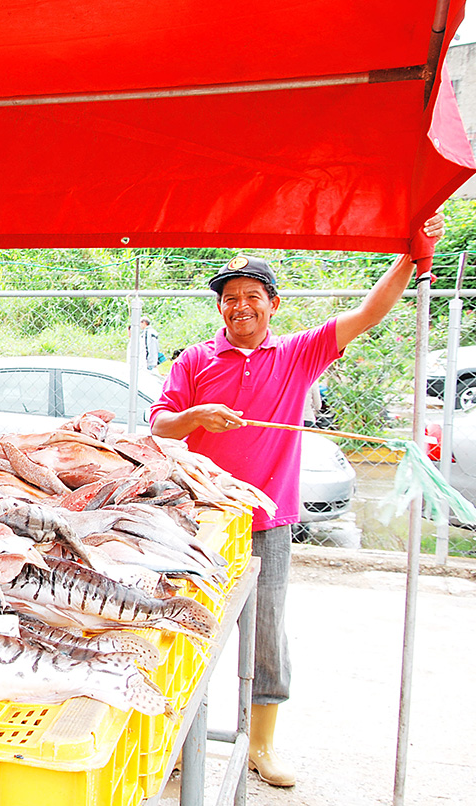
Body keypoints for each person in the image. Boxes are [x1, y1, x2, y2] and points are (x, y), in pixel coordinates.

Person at [148, 214, 444, 788]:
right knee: (188, 630)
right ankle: (184, 739)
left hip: (268, 523)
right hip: (198, 526)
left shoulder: (298, 355)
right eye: (230, 298)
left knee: (267, 636)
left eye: (252, 297)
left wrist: (410, 255)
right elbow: (159, 426)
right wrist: (193, 417)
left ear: (273, 305)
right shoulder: (194, 360)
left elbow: (369, 313)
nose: (240, 307)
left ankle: (260, 747)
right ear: (219, 309)